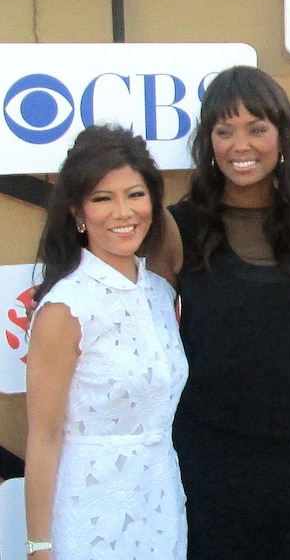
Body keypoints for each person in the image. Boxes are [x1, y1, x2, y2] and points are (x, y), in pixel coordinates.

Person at [149, 65, 290, 559]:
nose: (241, 145)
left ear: (282, 137)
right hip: (209, 454)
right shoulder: (178, 226)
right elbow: (143, 338)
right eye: (224, 131)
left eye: (257, 128)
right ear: (208, 142)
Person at [24, 124, 187, 558]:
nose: (123, 212)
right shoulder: (67, 307)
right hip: (90, 514)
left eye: (135, 194)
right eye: (102, 198)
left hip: (161, 505)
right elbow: (42, 436)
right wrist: (39, 546)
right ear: (78, 212)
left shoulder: (159, 292)